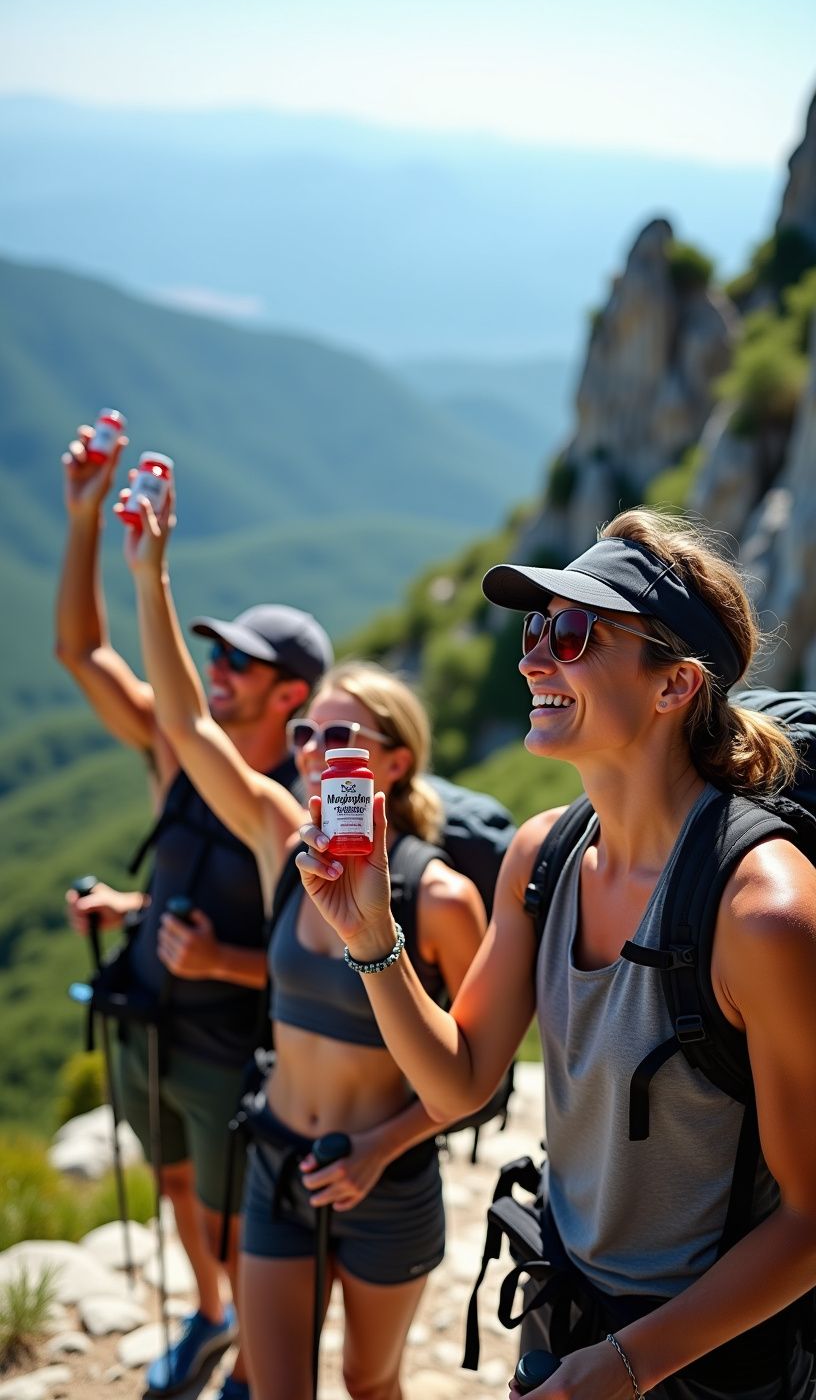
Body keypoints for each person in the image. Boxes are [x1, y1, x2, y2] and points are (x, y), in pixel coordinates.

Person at [298, 508, 816, 1400]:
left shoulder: (762, 912)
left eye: (573, 634)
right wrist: (372, 938)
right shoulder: (543, 856)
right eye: (535, 631)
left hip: (710, 1357)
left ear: (674, 684)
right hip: (566, 1317)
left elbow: (809, 1223)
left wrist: (626, 1365)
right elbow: (461, 1081)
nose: (533, 659)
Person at [120, 476, 488, 1400]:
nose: (317, 754)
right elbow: (188, 724)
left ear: (394, 762)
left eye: (343, 738)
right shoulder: (282, 842)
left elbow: (478, 1076)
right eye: (305, 736)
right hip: (276, 1157)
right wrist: (150, 573)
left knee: (371, 1385)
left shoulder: (441, 898)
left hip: (385, 1181)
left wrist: (379, 1149)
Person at [57, 426, 333, 1400]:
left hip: (228, 1043)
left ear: (290, 694)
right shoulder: (179, 755)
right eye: (215, 653)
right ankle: (212, 1314)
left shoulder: (293, 811)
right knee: (176, 1184)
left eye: (240, 665)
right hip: (151, 1023)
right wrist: (85, 518)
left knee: (232, 1213)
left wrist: (222, 964)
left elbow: (326, 962)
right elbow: (81, 652)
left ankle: (248, 1353)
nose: (218, 669)